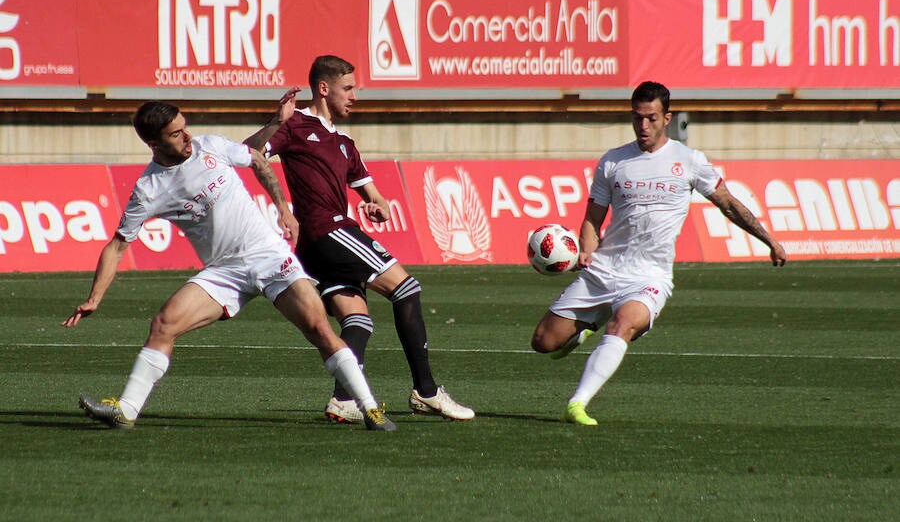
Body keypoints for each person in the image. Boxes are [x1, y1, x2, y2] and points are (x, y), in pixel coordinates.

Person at [63, 101, 395, 431]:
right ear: (154, 143)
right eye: (176, 134)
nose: (187, 136)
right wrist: (94, 297)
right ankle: (127, 410)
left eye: (185, 126)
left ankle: (370, 409)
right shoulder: (149, 190)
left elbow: (256, 159)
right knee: (164, 324)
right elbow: (117, 245)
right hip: (224, 272)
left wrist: (283, 207)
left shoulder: (211, 146)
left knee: (319, 330)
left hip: (269, 256)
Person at [530, 81, 787, 426]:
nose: (643, 126)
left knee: (622, 324)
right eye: (637, 118)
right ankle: (583, 328)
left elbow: (728, 204)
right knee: (543, 343)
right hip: (604, 271)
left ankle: (577, 403)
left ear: (667, 117)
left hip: (649, 277)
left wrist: (768, 239)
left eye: (651, 118)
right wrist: (587, 252)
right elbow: (593, 219)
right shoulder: (613, 162)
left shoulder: (689, 161)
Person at [244, 55, 474, 424]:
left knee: (358, 320)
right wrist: (276, 124)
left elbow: (374, 196)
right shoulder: (297, 124)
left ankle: (344, 399)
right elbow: (250, 154)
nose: (354, 96)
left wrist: (376, 206)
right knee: (407, 289)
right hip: (327, 230)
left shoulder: (345, 142)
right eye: (347, 88)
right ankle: (427, 391)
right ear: (324, 88)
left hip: (327, 238)